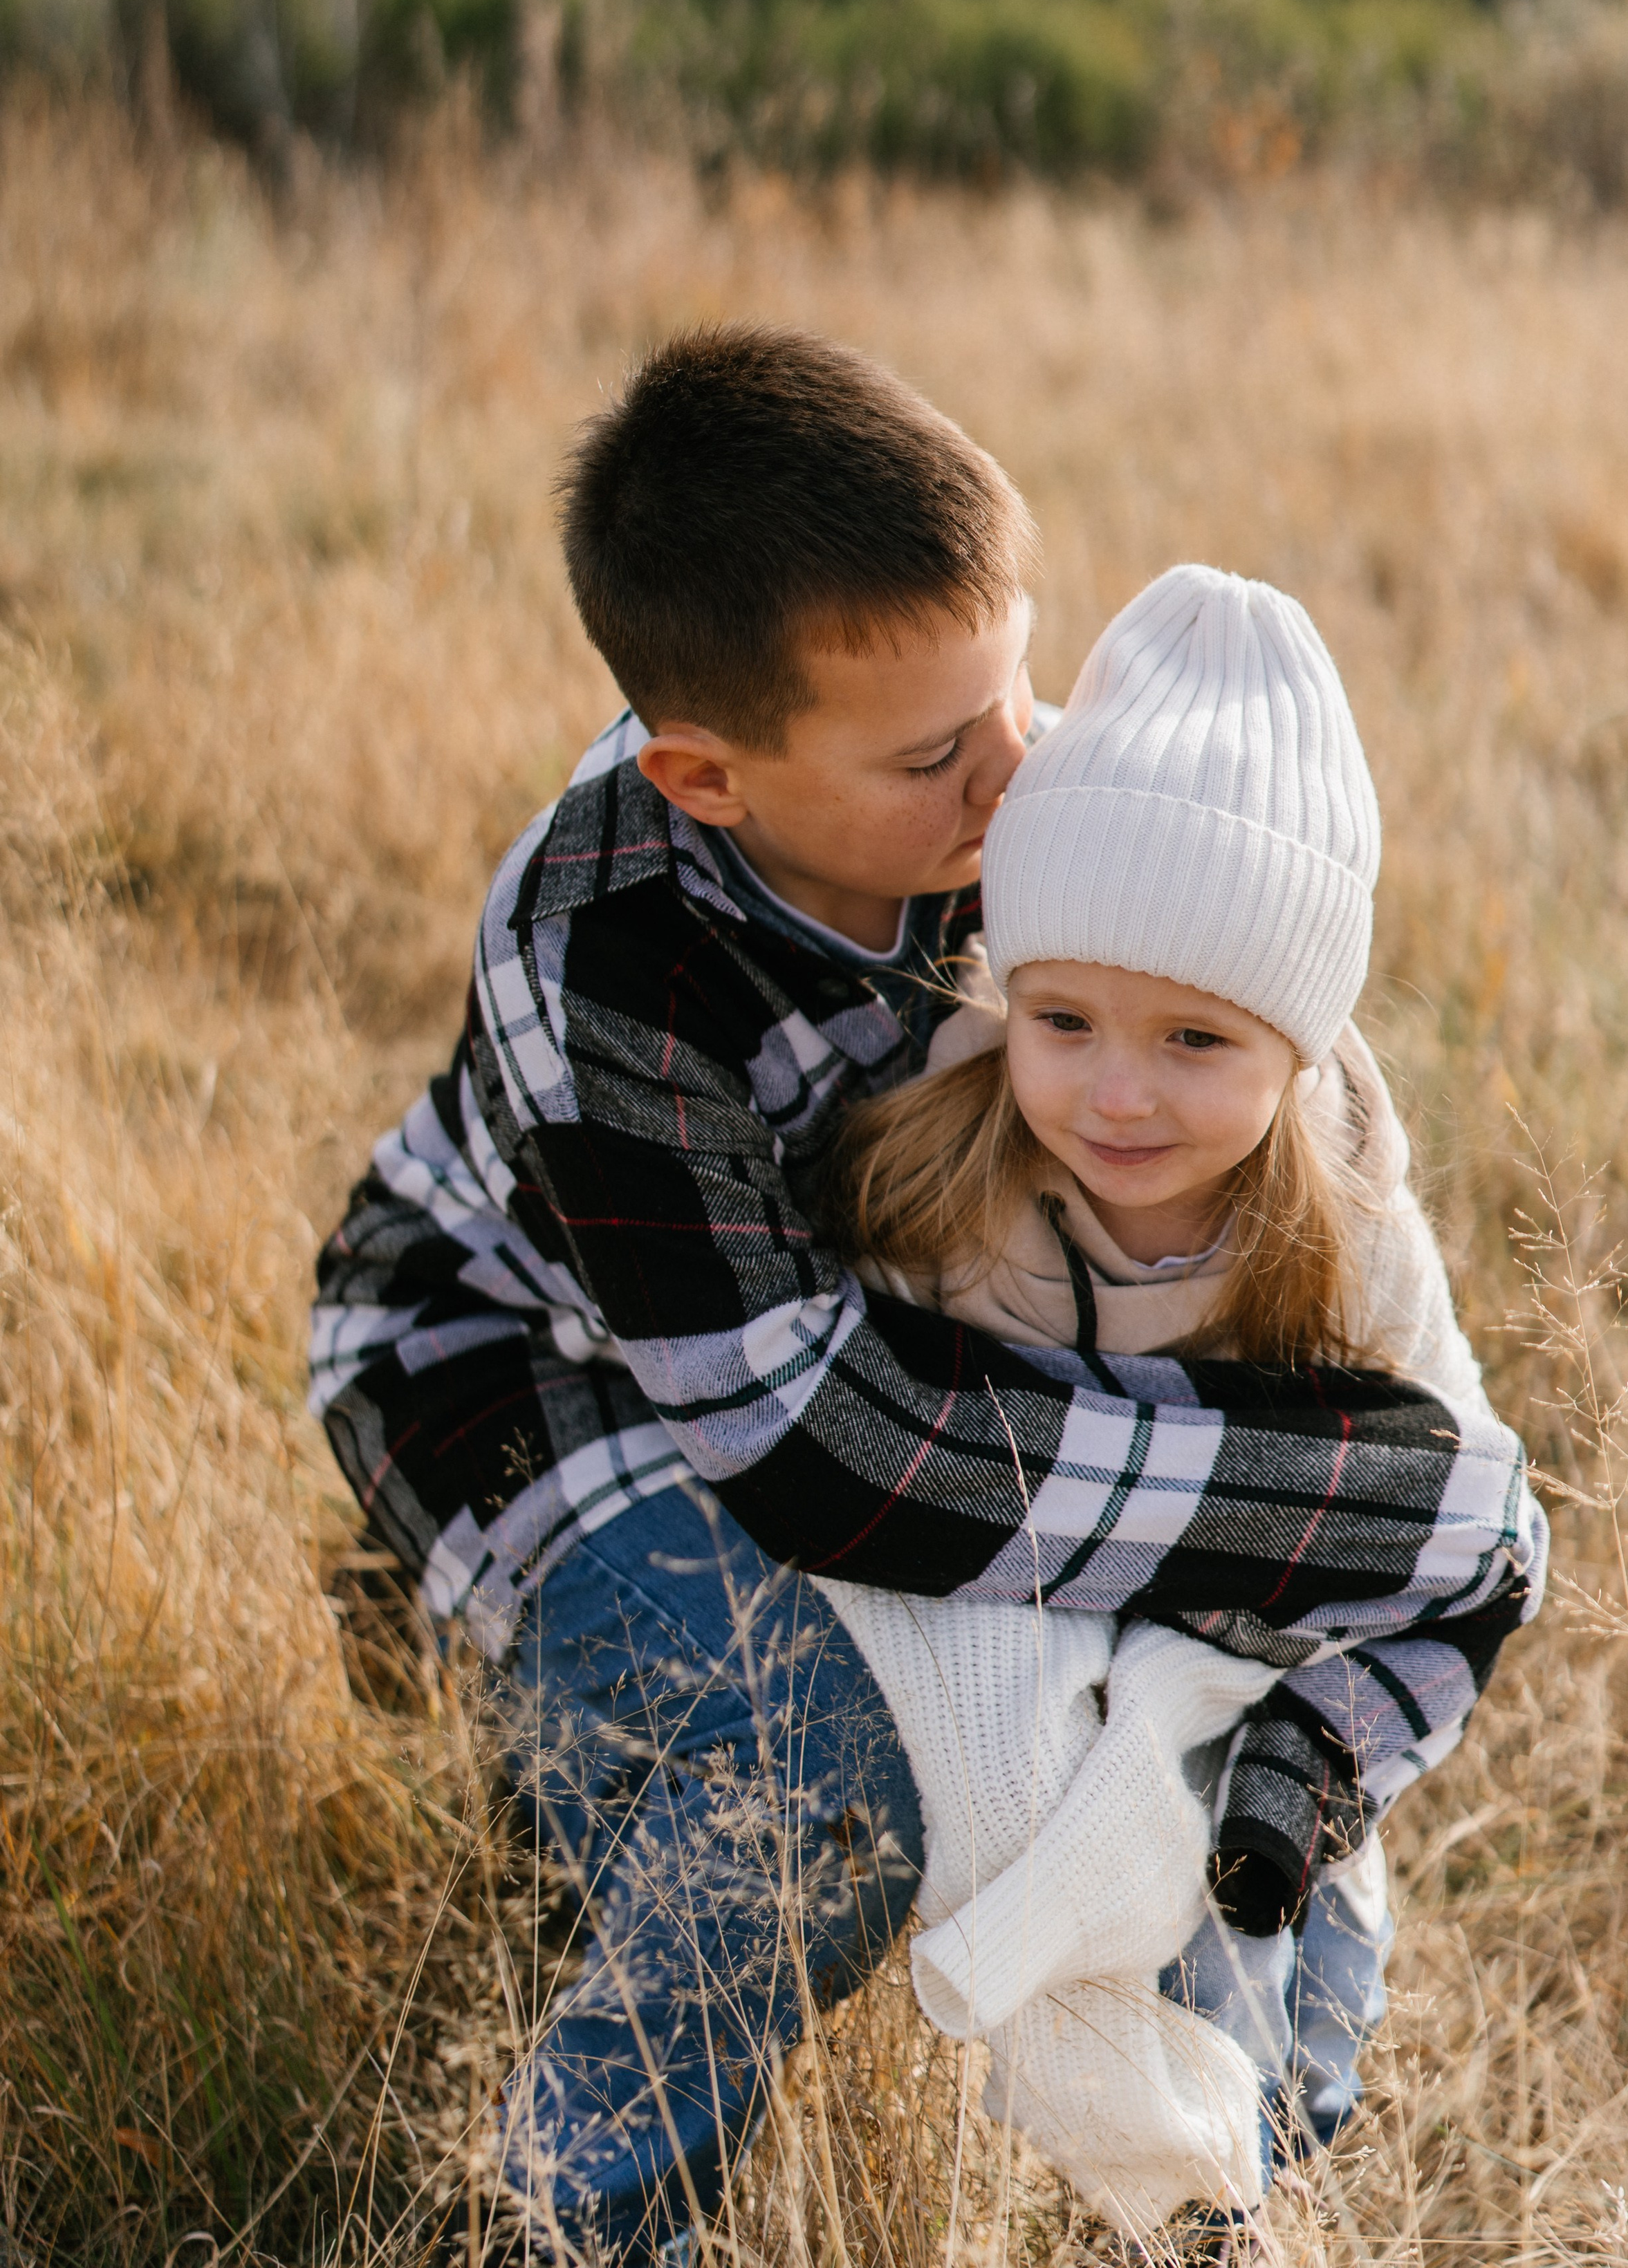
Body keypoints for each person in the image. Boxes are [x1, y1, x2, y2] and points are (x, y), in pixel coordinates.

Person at [308, 327, 1547, 2262]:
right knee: (803, 1773)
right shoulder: (599, 951)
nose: (1018, 766)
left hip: (882, 1347)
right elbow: (837, 1464)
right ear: (708, 777)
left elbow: (1247, 1019)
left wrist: (1378, 1492)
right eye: (930, 755)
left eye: (1017, 687)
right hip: (533, 1361)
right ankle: (562, 2219)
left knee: (1177, 1733)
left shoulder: (995, 798)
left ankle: (1230, 2168)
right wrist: (1379, 1500)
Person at [816, 561, 1531, 2234]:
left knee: (1276, 2023)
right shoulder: (936, 1188)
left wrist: (1310, 1751)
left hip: (1253, 1664)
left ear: (1295, 1044)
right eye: (1061, 1019)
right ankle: (1082, 2078)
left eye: (1195, 1042)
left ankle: (1234, 2185)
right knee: (1052, 1869)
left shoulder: (1343, 1237)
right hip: (1034, 1636)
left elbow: (1460, 1527)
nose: (1116, 1094)